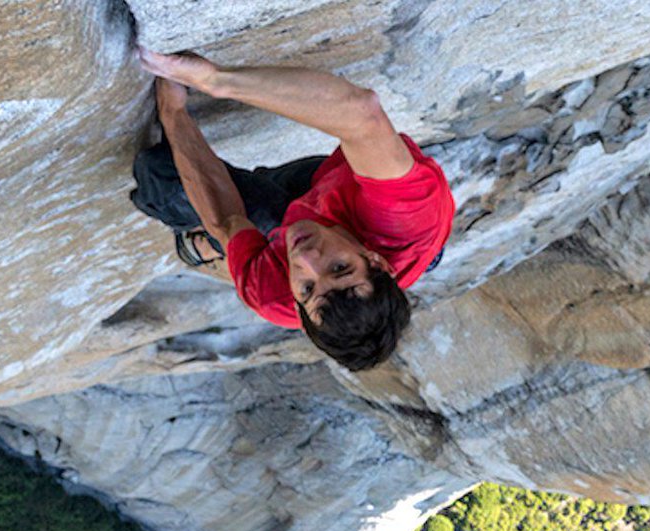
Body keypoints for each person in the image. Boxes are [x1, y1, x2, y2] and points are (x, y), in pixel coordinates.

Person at [135, 48, 455, 371]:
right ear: (374, 260)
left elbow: (225, 221)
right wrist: (215, 80)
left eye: (307, 288)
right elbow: (362, 115)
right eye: (340, 268)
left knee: (161, 176)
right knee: (283, 201)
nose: (306, 259)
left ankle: (205, 248)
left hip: (323, 215)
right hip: (341, 198)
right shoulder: (403, 218)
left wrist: (172, 112)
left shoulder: (273, 295)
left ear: (298, 307)